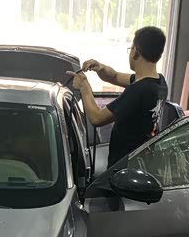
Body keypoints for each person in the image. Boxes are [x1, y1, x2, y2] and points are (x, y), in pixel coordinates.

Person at [66, 26, 168, 168]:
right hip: (142, 164)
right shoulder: (159, 83)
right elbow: (115, 76)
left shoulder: (137, 91)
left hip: (124, 169)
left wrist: (84, 86)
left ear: (135, 52)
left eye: (130, 48)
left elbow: (96, 118)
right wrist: (100, 67)